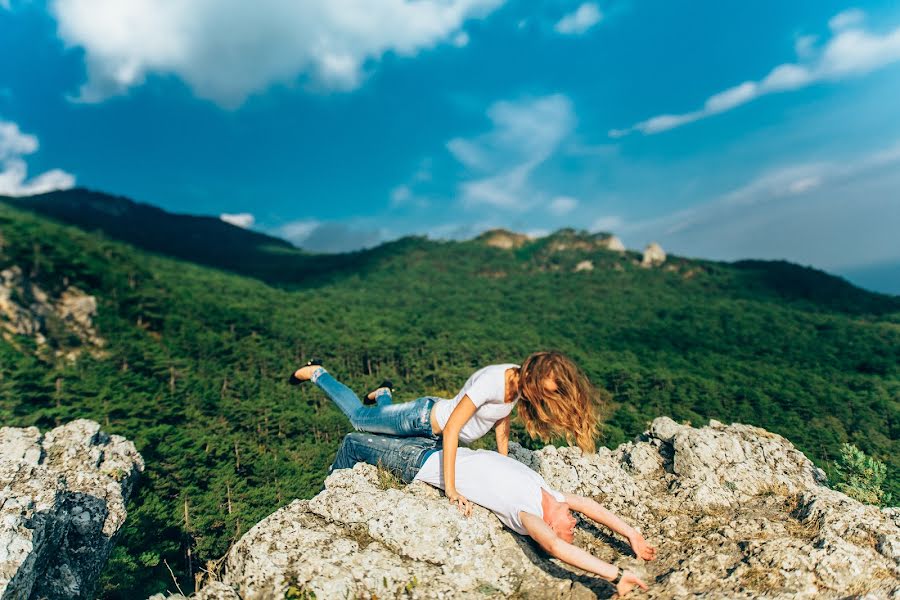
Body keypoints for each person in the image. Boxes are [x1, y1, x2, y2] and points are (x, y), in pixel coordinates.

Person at [330, 431, 656, 597]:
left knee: (353, 440)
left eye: (568, 529)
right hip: (441, 445)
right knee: (375, 420)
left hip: (419, 463)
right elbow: (591, 507)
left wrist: (614, 575)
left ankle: (330, 491)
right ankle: (383, 395)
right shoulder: (553, 497)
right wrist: (631, 533)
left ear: (548, 527)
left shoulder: (527, 515)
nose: (573, 523)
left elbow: (558, 548)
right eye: (572, 523)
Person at [290, 351, 600, 515]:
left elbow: (501, 421)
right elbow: (453, 429)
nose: (541, 399)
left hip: (429, 429)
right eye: (542, 392)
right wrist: (451, 488)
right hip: (422, 419)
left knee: (382, 422)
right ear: (533, 375)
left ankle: (382, 394)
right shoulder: (494, 380)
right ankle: (318, 372)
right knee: (359, 419)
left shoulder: (517, 385)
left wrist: (503, 461)